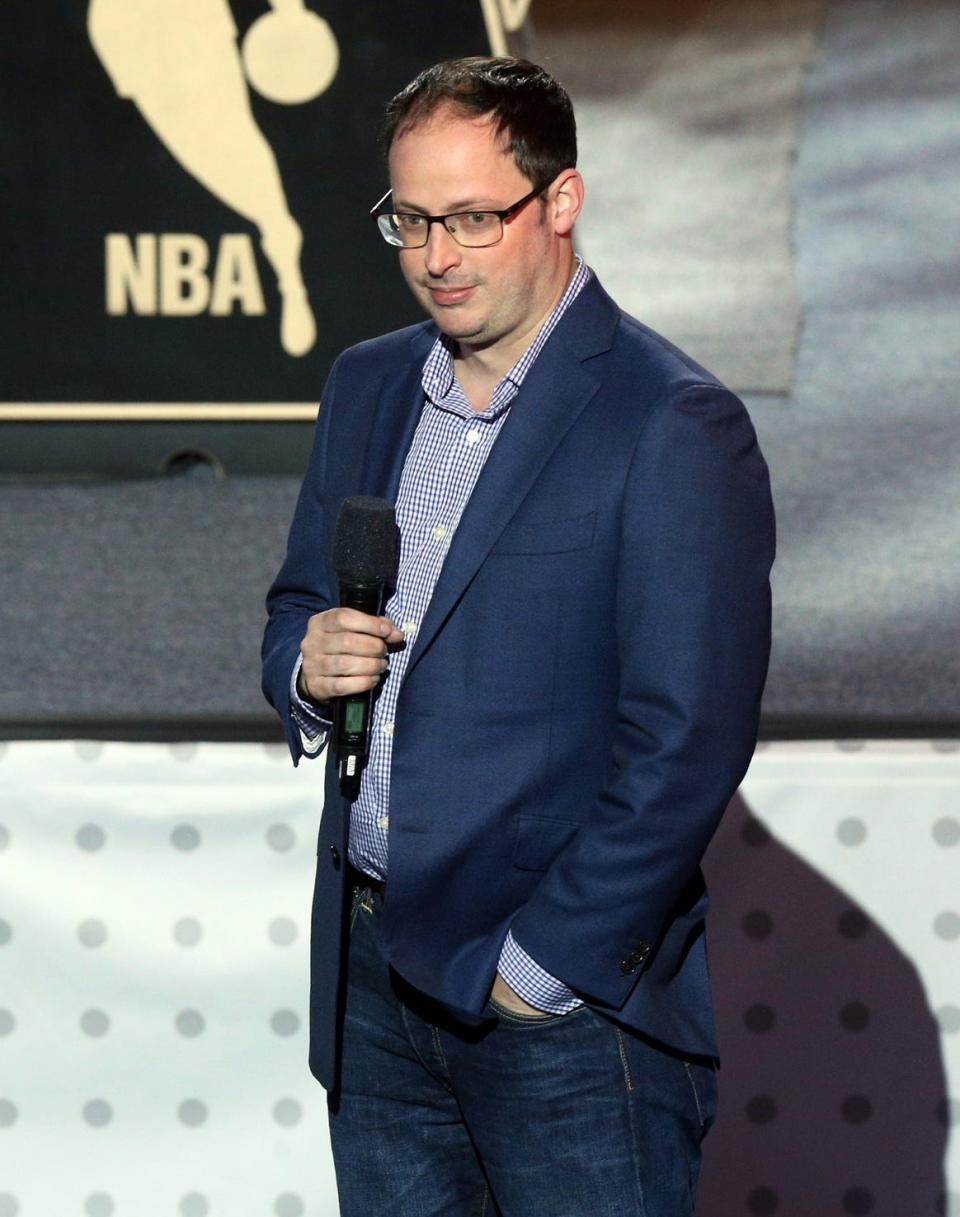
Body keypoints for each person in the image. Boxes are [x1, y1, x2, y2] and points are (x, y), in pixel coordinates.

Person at [262, 55, 774, 1217]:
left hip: (559, 1015)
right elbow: (293, 602)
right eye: (411, 220)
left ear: (562, 202)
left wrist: (540, 972)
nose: (437, 257)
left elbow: (687, 736)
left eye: (475, 219)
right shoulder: (369, 384)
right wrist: (304, 662)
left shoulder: (672, 421)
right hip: (371, 985)